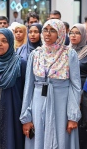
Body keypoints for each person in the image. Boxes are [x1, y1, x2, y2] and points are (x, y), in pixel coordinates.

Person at [20, 19, 82, 149]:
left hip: (62, 105)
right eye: (45, 30)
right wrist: (26, 117)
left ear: (60, 33)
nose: (47, 34)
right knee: (39, 138)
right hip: (38, 104)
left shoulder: (69, 54)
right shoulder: (35, 54)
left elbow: (76, 86)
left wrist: (73, 116)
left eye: (52, 30)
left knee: (61, 138)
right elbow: (28, 87)